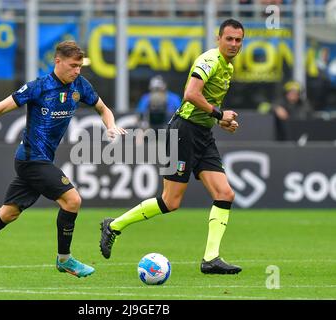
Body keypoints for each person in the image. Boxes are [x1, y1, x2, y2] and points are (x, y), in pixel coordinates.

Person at [0, 40, 126, 282]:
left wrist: (111, 126)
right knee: (72, 200)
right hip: (31, 160)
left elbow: (103, 109)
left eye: (80, 66)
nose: (77, 71)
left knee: (8, 213)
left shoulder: (80, 85)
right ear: (57, 61)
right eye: (73, 65)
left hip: (37, 159)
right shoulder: (39, 87)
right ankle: (64, 259)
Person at [100, 19, 244, 275]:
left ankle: (211, 259)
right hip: (182, 132)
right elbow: (190, 94)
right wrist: (219, 113)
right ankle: (113, 226)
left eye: (238, 40)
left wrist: (219, 120)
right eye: (229, 39)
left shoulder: (228, 66)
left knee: (225, 194)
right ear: (218, 38)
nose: (233, 44)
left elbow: (205, 104)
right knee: (170, 201)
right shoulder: (209, 60)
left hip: (202, 133)